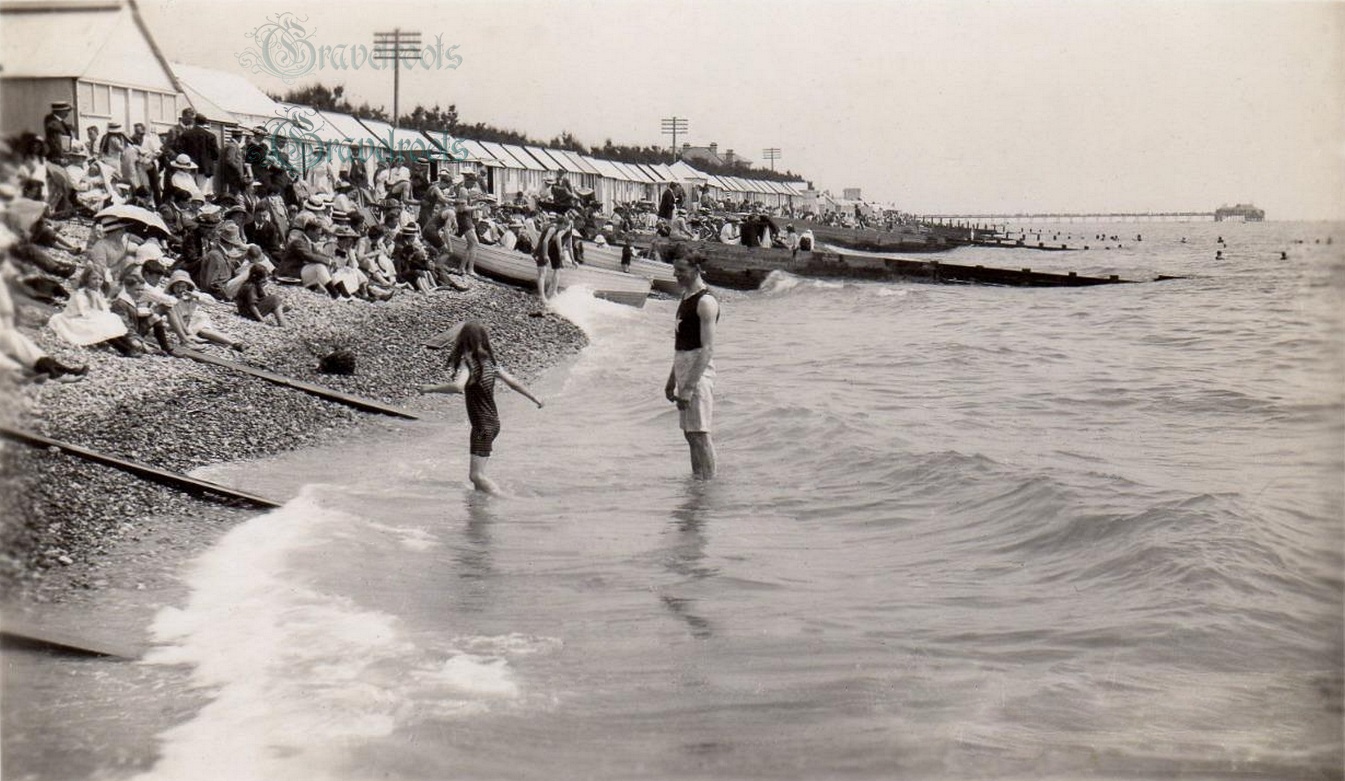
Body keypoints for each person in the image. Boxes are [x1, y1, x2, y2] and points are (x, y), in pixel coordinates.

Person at [417, 320, 544, 494]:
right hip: (493, 424)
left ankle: (507, 501)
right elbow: (513, 383)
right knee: (479, 478)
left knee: (476, 476)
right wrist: (535, 398)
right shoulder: (491, 363)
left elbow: (458, 387)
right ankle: (479, 513)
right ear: (483, 340)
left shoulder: (468, 363)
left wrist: (430, 388)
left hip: (483, 426)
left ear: (463, 340)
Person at [664, 250, 720, 480]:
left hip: (698, 371)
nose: (675, 275)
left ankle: (708, 485)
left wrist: (688, 386)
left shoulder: (705, 301)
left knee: (700, 434)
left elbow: (707, 349)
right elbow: (681, 344)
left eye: (681, 271)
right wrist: (672, 380)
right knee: (689, 434)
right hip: (683, 366)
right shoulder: (686, 296)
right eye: (675, 269)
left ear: (696, 270)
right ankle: (697, 482)